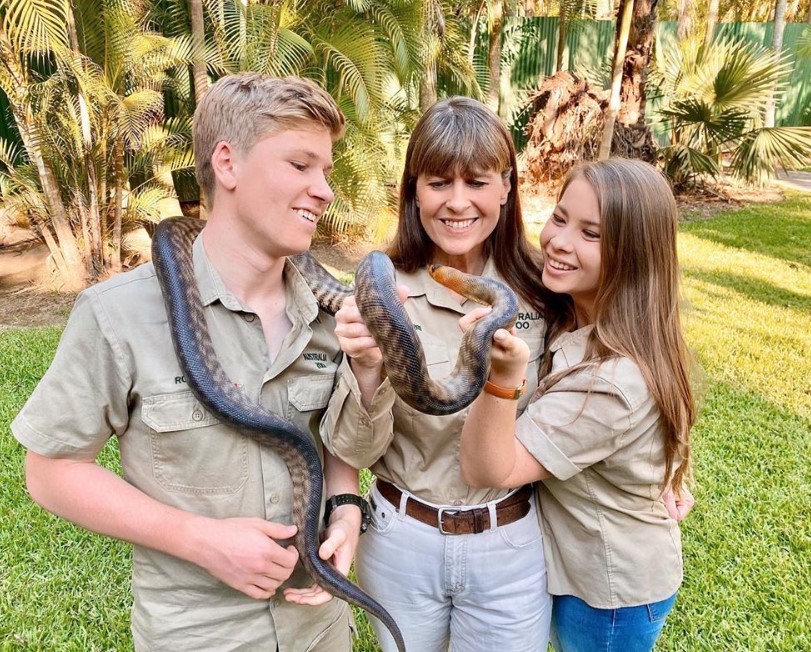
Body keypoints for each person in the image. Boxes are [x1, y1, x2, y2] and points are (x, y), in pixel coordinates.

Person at [12, 73, 365, 651]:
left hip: (318, 628)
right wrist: (200, 540)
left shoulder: (333, 313)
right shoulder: (119, 313)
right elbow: (49, 472)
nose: (324, 190)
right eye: (301, 166)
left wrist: (346, 509)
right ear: (227, 163)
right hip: (198, 634)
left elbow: (332, 441)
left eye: (325, 170)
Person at [321, 96, 566, 652]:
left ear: (506, 186)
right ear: (413, 190)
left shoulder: (546, 292)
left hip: (509, 542)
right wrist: (367, 370)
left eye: (477, 182)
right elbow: (354, 450)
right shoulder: (380, 294)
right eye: (437, 183)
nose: (457, 203)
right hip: (401, 540)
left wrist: (670, 466)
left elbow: (605, 373)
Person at [459, 158, 696, 652]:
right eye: (560, 217)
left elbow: (489, 466)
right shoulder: (588, 312)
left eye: (591, 233)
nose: (559, 242)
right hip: (591, 567)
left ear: (632, 256)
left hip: (606, 594)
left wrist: (502, 377)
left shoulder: (612, 382)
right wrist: (674, 473)